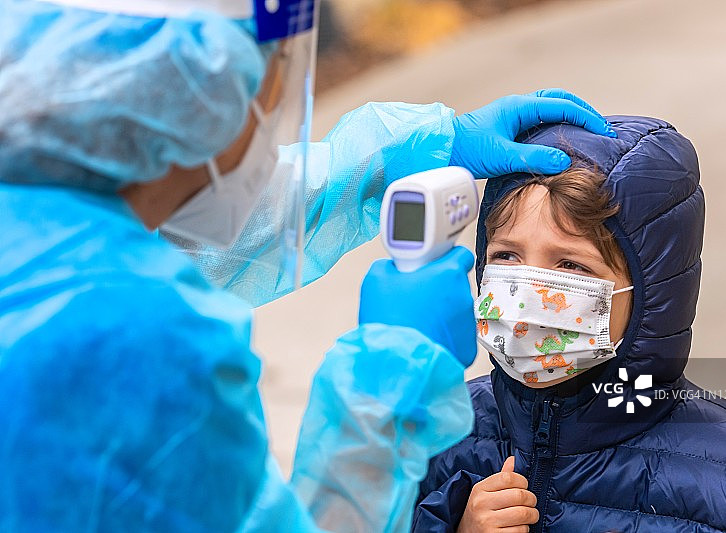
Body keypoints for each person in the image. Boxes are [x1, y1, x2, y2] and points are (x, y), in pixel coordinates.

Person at [0, 0, 617, 531]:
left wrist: (406, 153)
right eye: (266, 73)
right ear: (210, 86)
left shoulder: (37, 233)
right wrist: (387, 382)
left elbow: (206, 230)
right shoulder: (138, 343)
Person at [412, 116, 726, 532]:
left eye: (570, 265)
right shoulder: (437, 434)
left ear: (654, 291)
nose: (526, 296)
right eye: (507, 255)